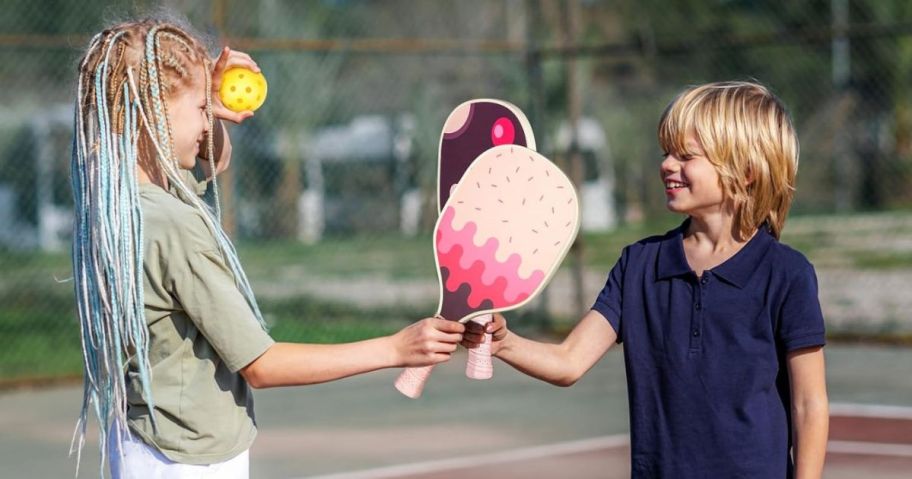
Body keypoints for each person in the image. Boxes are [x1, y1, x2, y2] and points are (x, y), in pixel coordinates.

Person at [70, 16, 464, 478]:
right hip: (187, 463)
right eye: (200, 109)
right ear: (151, 115)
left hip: (143, 444)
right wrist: (395, 348)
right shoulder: (174, 226)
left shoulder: (116, 199)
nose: (208, 122)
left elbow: (213, 156)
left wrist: (205, 102)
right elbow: (263, 364)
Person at [464, 81, 829, 478]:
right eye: (666, 153)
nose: (668, 165)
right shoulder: (638, 265)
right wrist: (504, 343)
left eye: (687, 155)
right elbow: (569, 362)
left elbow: (809, 404)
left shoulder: (786, 274)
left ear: (745, 172)